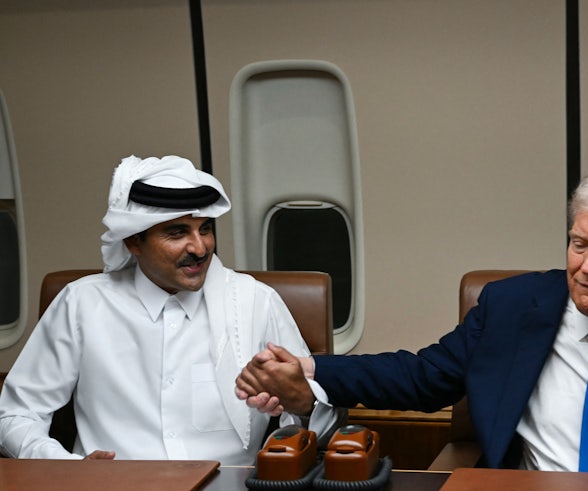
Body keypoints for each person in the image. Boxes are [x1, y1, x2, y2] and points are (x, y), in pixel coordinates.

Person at [236, 170, 588, 481]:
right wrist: (306, 368)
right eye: (579, 243)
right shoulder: (512, 306)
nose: (587, 266)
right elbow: (421, 377)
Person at [0, 155, 342, 464]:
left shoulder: (255, 302)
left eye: (205, 229)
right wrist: (69, 470)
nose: (200, 247)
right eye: (178, 232)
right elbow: (15, 416)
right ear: (134, 241)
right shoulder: (82, 305)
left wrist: (302, 405)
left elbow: (313, 423)